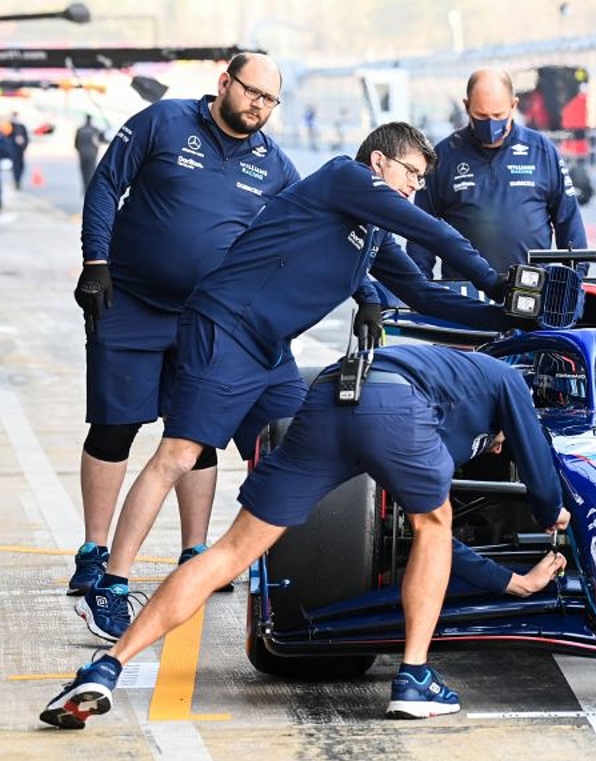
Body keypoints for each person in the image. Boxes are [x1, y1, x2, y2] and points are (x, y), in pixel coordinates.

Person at [73, 121, 513, 642]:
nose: (415, 188)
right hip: (226, 329)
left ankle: (281, 578)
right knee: (179, 453)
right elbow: (430, 231)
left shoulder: (370, 232)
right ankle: (112, 583)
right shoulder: (343, 178)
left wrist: (505, 317)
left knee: (308, 446)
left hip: (269, 350)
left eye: (420, 180)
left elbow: (421, 295)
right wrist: (491, 277)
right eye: (411, 173)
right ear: (378, 163)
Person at [42, 345, 572, 728]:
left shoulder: (452, 408)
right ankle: (414, 680)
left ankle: (106, 667)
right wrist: (553, 516)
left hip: (329, 398)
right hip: (392, 403)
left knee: (231, 551)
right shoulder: (504, 378)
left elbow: (436, 548)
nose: (498, 450)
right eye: (498, 443)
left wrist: (511, 583)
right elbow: (539, 473)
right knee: (433, 523)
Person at [68, 54, 301, 603]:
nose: (258, 107)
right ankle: (93, 550)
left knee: (193, 431)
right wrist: (94, 263)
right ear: (225, 83)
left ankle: (195, 550)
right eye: (251, 93)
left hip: (207, 320)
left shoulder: (275, 165)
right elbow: (105, 186)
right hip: (128, 303)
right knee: (114, 426)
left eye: (269, 100)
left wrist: (367, 294)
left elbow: (313, 227)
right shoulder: (164, 121)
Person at [408, 67, 587, 281]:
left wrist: (575, 280)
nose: (491, 123)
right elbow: (422, 231)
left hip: (531, 292)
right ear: (466, 106)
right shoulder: (444, 156)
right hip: (465, 295)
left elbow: (569, 221)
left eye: (498, 115)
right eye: (481, 115)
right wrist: (419, 291)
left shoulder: (542, 151)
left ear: (514, 105)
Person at [74, 114, 106, 193]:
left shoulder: (80, 130)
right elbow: (102, 139)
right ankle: (90, 190)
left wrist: (81, 150)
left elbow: (76, 144)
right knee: (91, 172)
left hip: (83, 154)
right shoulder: (95, 130)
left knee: (84, 172)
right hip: (92, 155)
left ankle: (85, 189)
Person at [8, 111, 28, 189]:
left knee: (21, 166)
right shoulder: (9, 126)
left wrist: (23, 144)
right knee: (15, 166)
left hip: (20, 150)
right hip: (12, 149)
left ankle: (18, 180)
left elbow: (26, 138)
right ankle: (16, 181)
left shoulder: (22, 126)